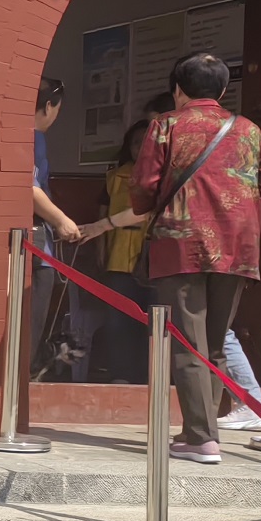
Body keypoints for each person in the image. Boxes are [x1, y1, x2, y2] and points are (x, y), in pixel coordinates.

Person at [131, 52, 261, 463]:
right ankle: (202, 431)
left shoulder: (166, 125)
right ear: (223, 89)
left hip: (182, 245)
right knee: (214, 343)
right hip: (237, 248)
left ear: (178, 88)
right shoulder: (249, 131)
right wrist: (239, 219)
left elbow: (143, 188)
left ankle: (200, 438)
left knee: (188, 343)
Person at [75, 118, 154, 384]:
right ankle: (122, 374)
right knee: (119, 320)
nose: (139, 148)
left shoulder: (164, 177)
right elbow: (102, 213)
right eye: (135, 143)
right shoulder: (115, 177)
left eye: (145, 142)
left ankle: (151, 375)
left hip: (153, 258)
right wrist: (101, 249)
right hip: (119, 258)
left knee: (154, 320)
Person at [31, 79, 83, 360]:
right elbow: (29, 187)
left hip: (38, 240)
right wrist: (61, 220)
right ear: (48, 106)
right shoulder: (33, 138)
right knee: (31, 322)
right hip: (36, 244)